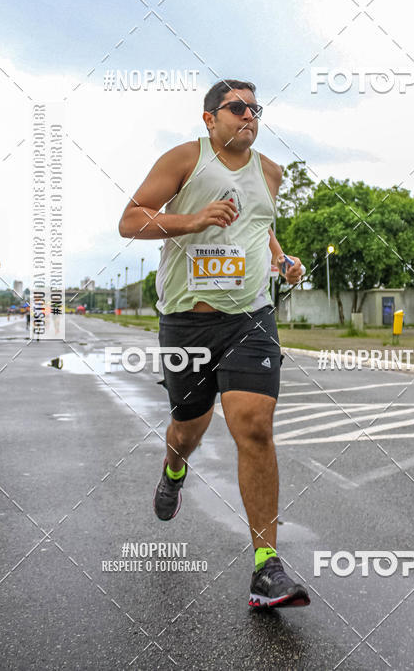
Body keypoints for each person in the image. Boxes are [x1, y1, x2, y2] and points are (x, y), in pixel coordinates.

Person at [119, 80, 310, 609]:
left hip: (250, 318)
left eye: (256, 108)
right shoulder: (184, 159)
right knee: (188, 425)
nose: (249, 116)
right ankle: (174, 467)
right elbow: (130, 220)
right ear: (210, 118)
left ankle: (265, 567)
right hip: (187, 323)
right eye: (237, 108)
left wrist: (281, 259)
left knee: (253, 425)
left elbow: (260, 226)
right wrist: (194, 219)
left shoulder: (270, 172)